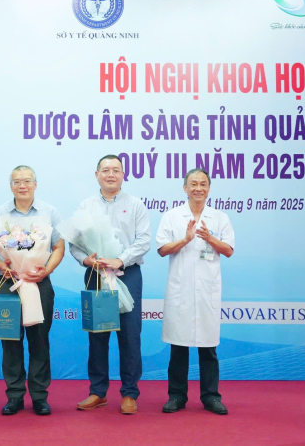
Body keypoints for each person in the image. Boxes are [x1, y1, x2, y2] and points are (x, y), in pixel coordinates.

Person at [0, 165, 65, 416]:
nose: (22, 186)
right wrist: (2, 265)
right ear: (11, 186)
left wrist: (46, 270)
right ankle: (14, 396)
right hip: (8, 283)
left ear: (35, 184)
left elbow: (59, 247)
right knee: (10, 341)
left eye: (27, 181)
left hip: (39, 282)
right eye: (17, 181)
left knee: (39, 341)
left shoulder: (50, 212)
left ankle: (39, 396)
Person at [70, 155, 151, 415]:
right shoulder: (86, 205)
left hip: (127, 274)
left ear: (123, 175)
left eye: (116, 170)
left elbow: (144, 241)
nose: (111, 174)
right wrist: (86, 259)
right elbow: (74, 243)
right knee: (97, 336)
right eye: (105, 170)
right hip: (96, 274)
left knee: (129, 336)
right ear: (97, 175)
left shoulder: (135, 204)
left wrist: (120, 259)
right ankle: (98, 392)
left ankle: (129, 393)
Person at [156, 168, 235, 415]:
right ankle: (177, 396)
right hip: (181, 289)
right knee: (178, 347)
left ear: (208, 188)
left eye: (203, 184)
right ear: (185, 188)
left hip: (207, 291)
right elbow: (162, 249)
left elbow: (229, 250)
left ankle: (211, 397)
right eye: (193, 184)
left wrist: (210, 238)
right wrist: (185, 239)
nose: (198, 188)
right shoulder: (172, 216)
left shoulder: (219, 217)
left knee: (208, 347)